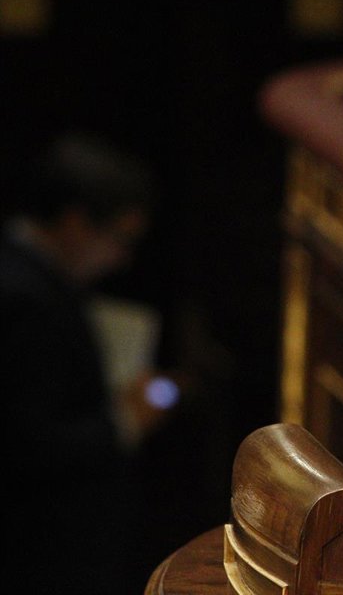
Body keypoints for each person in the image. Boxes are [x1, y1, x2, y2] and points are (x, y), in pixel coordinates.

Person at [1, 133, 176, 593]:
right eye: (120, 239)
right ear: (75, 222)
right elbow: (28, 445)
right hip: (38, 552)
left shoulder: (32, 279)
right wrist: (126, 421)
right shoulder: (24, 300)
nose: (123, 259)